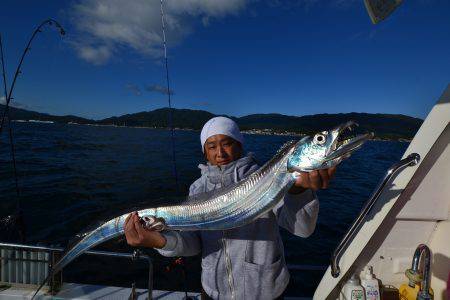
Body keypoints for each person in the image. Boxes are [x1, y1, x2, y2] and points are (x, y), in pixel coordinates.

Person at [124, 116, 336, 300]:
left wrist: (298, 193)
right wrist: (161, 242)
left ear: (240, 145)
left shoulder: (266, 178)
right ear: (204, 152)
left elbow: (303, 229)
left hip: (264, 292)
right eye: (212, 146)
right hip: (212, 291)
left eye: (226, 143)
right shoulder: (197, 189)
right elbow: (193, 243)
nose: (220, 153)